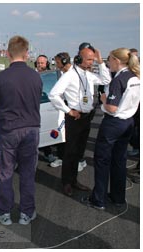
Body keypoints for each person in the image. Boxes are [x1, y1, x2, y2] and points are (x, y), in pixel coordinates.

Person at [0, 35, 42, 225]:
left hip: (9, 129)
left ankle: (4, 212)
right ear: (26, 54)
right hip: (31, 129)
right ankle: (27, 213)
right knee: (27, 173)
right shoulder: (35, 76)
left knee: (5, 172)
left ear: (8, 53)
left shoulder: (1, 77)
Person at [49, 42, 111, 197]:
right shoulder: (69, 75)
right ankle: (66, 183)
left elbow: (106, 80)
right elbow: (53, 94)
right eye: (89, 60)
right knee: (70, 152)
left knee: (79, 152)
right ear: (78, 59)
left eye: (93, 60)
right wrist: (68, 110)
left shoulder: (87, 74)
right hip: (74, 118)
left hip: (87, 117)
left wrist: (101, 62)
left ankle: (74, 180)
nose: (92, 62)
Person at [82, 48, 140, 210]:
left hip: (114, 123)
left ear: (117, 61)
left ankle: (98, 199)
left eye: (110, 60)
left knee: (102, 161)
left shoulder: (119, 80)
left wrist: (103, 99)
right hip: (128, 122)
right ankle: (118, 197)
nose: (108, 63)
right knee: (119, 161)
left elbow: (112, 108)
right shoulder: (135, 77)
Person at [50, 52, 87, 172]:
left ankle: (79, 161)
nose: (56, 64)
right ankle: (63, 157)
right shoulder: (60, 73)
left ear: (64, 62)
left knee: (77, 138)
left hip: (76, 109)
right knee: (64, 134)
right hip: (64, 107)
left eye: (57, 62)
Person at [35, 54, 56, 163]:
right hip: (33, 107)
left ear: (46, 64)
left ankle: (48, 153)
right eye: (38, 63)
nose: (40, 65)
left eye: (42, 63)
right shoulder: (32, 74)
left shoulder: (50, 75)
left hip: (47, 104)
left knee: (46, 131)